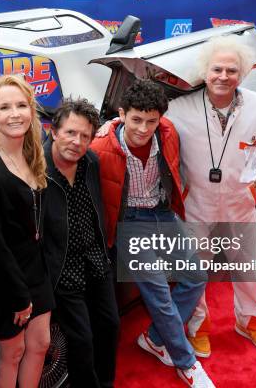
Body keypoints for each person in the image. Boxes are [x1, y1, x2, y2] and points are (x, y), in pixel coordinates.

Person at [91, 79, 214, 388]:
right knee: (158, 293)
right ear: (121, 114)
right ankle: (186, 362)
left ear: (160, 118)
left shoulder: (168, 132)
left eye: (151, 120)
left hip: (162, 212)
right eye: (135, 120)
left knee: (196, 275)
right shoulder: (101, 147)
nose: (143, 128)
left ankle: (155, 338)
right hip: (129, 221)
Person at [166, 35, 256, 357]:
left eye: (232, 70)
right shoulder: (178, 108)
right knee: (195, 272)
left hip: (239, 200)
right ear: (205, 72)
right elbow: (145, 127)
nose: (223, 76)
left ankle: (252, 323)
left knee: (246, 266)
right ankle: (197, 328)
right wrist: (113, 126)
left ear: (242, 74)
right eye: (217, 69)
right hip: (197, 203)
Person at [0, 74, 53, 388]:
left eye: (21, 105)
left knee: (41, 343)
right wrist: (19, 296)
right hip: (5, 276)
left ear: (31, 111)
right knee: (13, 351)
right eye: (5, 107)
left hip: (36, 268)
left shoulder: (33, 155)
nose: (15, 113)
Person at [43, 98, 120, 388]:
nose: (77, 142)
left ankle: (106, 383)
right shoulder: (38, 170)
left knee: (111, 326)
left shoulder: (91, 162)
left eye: (85, 136)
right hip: (63, 267)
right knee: (82, 341)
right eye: (70, 133)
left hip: (95, 259)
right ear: (54, 131)